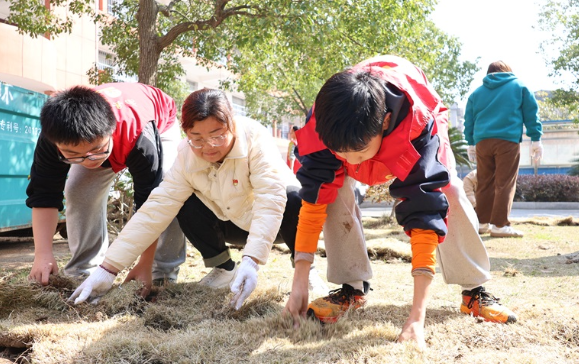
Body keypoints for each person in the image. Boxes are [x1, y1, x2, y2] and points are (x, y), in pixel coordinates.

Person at [281, 55, 517, 350]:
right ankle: (351, 288)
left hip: (409, 135)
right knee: (332, 189)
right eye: (338, 152)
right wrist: (300, 276)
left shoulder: (419, 125)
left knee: (449, 192)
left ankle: (473, 291)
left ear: (386, 121)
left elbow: (424, 212)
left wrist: (417, 316)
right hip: (364, 131)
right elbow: (314, 200)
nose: (348, 160)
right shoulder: (324, 123)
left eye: (357, 151)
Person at [69, 88, 327, 305]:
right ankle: (224, 269)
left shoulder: (255, 137)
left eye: (217, 136)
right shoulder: (186, 156)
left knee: (294, 197)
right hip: (230, 224)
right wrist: (107, 269)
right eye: (197, 138)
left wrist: (252, 260)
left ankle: (307, 269)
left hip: (277, 223)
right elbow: (155, 209)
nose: (208, 147)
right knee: (181, 203)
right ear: (186, 133)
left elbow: (271, 198)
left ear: (232, 124)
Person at [26, 82, 187, 287]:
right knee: (77, 190)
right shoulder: (54, 136)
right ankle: (84, 271)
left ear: (111, 131)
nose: (89, 161)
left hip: (157, 121)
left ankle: (163, 272)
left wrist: (144, 262)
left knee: (167, 187)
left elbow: (153, 203)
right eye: (74, 155)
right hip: (100, 138)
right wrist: (43, 254)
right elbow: (44, 193)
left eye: (96, 150)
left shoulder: (139, 135)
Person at [464, 60, 543, 238]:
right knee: (505, 182)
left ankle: (482, 223)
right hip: (507, 140)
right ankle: (500, 225)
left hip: (482, 142)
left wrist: (470, 143)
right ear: (508, 72)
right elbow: (531, 114)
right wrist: (536, 139)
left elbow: (469, 120)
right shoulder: (519, 87)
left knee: (484, 182)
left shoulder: (476, 93)